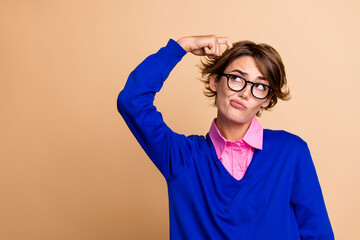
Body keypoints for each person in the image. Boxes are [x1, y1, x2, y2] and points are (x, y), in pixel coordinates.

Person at [117, 35, 334, 239]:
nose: (245, 93)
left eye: (260, 86)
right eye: (237, 79)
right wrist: (182, 46)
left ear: (267, 99)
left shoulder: (290, 152)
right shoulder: (181, 157)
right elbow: (131, 101)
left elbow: (318, 233)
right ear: (215, 82)